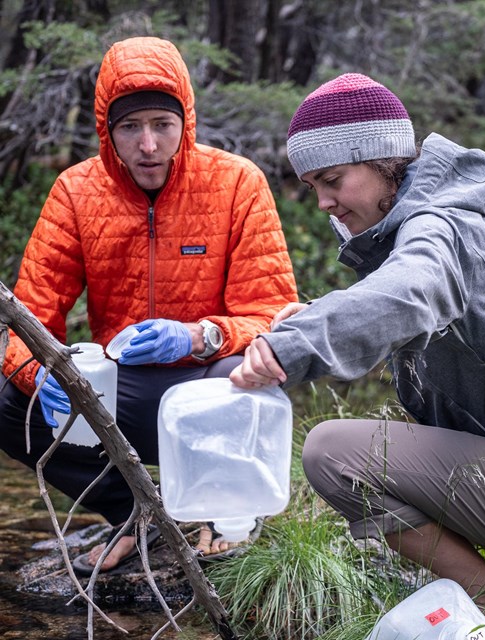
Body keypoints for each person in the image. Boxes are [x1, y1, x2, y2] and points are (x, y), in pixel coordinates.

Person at [229, 73, 485, 614]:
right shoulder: (426, 223)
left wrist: (293, 345)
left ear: (383, 162)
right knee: (382, 449)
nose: (324, 202)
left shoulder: (436, 225)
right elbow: (407, 305)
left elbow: (411, 291)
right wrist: (317, 314)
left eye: (333, 179)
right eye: (312, 187)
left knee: (331, 454)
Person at [0, 36, 298, 573]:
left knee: (252, 372)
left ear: (186, 121)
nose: (148, 146)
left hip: (207, 385)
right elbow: (28, 319)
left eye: (162, 124)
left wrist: (199, 335)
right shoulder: (77, 192)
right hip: (121, 391)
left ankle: (222, 514)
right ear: (106, 131)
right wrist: (39, 376)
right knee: (2, 397)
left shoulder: (236, 184)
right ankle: (134, 513)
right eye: (130, 127)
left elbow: (273, 317)